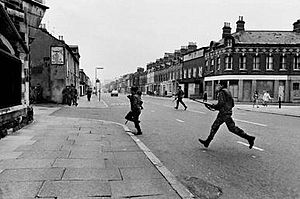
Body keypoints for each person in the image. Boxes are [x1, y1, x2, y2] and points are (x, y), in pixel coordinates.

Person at [198, 81, 255, 149]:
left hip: (224, 114)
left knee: (231, 128)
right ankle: (207, 142)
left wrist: (213, 106)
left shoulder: (221, 92)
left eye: (218, 85)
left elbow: (220, 104)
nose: (216, 86)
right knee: (215, 126)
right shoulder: (228, 92)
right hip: (225, 113)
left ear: (221, 85)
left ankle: (249, 138)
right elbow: (232, 104)